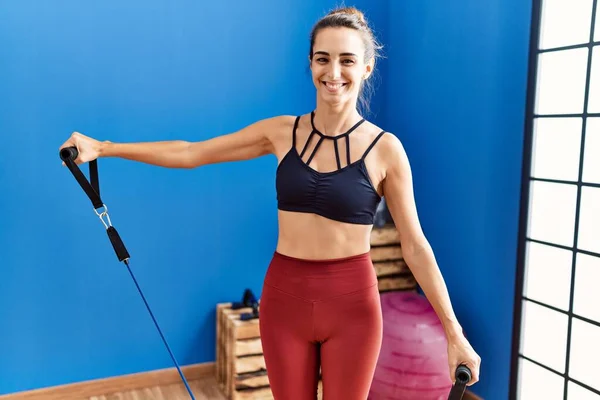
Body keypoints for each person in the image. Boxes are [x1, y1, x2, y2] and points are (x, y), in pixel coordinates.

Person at [59, 6, 480, 400]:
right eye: (323, 58)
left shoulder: (386, 150)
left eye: (347, 60)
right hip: (284, 300)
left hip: (353, 308)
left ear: (367, 67)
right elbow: (192, 152)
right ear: (311, 64)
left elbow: (415, 246)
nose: (334, 72)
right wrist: (105, 147)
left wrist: (454, 333)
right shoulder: (281, 132)